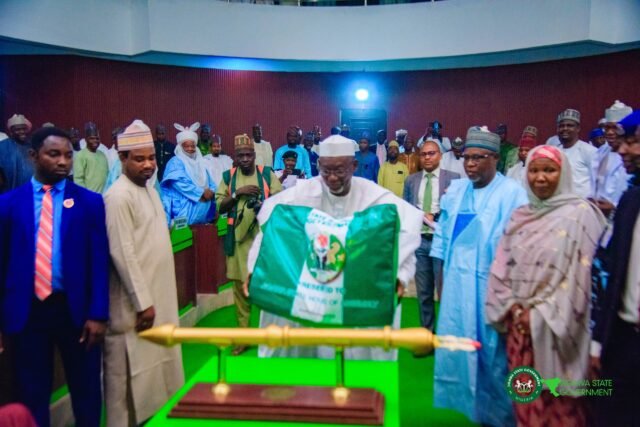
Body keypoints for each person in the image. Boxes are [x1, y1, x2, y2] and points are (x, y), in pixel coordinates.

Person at [247, 135, 423, 360]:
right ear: (319, 165)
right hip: (312, 289)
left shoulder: (375, 196)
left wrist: (400, 276)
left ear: (354, 166)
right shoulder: (301, 194)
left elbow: (405, 231)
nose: (331, 178)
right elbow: (271, 230)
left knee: (357, 357)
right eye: (326, 170)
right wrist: (254, 269)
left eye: (340, 171)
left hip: (355, 287)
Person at [487, 145, 606, 427]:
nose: (540, 178)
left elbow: (585, 279)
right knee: (525, 403)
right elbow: (502, 265)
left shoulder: (581, 215)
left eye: (550, 170)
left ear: (563, 174)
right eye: (534, 171)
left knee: (563, 410)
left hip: (562, 333)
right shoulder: (520, 215)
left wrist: (539, 315)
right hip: (519, 331)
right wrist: (512, 307)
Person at [0, 127, 109, 427]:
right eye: (54, 154)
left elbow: (99, 261)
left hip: (77, 313)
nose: (63, 161)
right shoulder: (8, 205)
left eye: (68, 155)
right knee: (32, 393)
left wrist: (98, 314)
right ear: (33, 156)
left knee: (86, 392)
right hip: (27, 313)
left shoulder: (89, 203)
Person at [431, 126, 528, 427]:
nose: (470, 164)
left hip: (493, 290)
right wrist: (441, 287)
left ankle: (503, 418)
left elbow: (518, 249)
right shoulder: (456, 191)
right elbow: (442, 239)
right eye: (467, 158)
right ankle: (477, 414)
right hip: (457, 289)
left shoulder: (512, 193)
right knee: (462, 351)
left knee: (494, 358)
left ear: (496, 158)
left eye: (478, 158)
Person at [103, 120, 184, 427]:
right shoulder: (118, 196)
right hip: (135, 308)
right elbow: (121, 252)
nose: (149, 165)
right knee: (127, 381)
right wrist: (143, 302)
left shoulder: (149, 190)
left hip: (157, 300)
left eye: (151, 158)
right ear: (123, 158)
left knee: (158, 372)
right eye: (139, 159)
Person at [215, 134, 281, 355]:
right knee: (240, 294)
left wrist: (264, 205)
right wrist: (237, 194)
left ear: (254, 155)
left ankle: (270, 338)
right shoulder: (229, 177)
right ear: (235, 157)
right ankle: (243, 339)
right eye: (240, 155)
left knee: (268, 291)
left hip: (264, 244)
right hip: (238, 243)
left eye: (248, 155)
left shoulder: (267, 175)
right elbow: (220, 207)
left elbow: (281, 203)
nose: (244, 159)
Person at [403, 140, 460, 330]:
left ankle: (445, 333)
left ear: (440, 156)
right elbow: (407, 208)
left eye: (431, 153)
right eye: (423, 154)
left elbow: (456, 209)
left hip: (441, 242)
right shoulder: (411, 180)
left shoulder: (453, 179)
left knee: (445, 292)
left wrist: (435, 216)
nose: (427, 157)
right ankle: (426, 334)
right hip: (420, 242)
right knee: (424, 292)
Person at [161, 122, 216, 225]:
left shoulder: (200, 163)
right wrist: (201, 193)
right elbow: (180, 183)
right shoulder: (175, 162)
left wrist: (212, 192)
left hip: (203, 214)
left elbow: (211, 181)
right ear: (180, 147)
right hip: (183, 215)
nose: (190, 149)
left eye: (193, 146)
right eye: (186, 146)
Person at [589, 101, 633, 216]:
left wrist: (614, 206)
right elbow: (593, 181)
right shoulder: (601, 152)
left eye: (615, 128)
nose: (609, 132)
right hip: (598, 214)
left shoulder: (634, 156)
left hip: (624, 214)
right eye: (607, 128)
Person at [550, 109, 596, 198]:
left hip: (583, 203)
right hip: (560, 202)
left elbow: (598, 179)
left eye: (569, 125)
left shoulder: (589, 151)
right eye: (561, 126)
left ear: (578, 128)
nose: (565, 128)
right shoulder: (555, 151)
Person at [0, 114, 34, 194]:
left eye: (24, 129)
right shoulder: (2, 147)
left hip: (32, 192)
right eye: (17, 129)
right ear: (11, 132)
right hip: (10, 192)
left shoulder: (33, 146)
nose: (22, 132)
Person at [73, 124, 109, 193]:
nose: (95, 141)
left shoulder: (102, 155)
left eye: (97, 138)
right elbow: (78, 180)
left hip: (103, 196)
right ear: (86, 139)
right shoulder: (80, 155)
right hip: (88, 196)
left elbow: (107, 175)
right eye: (92, 138)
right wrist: (86, 196)